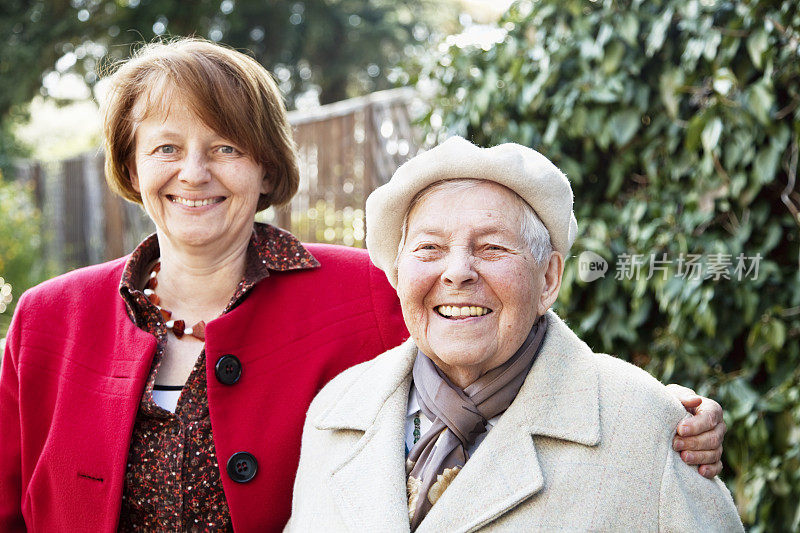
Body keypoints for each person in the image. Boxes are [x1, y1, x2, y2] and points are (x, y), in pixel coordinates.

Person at [0, 39, 724, 532]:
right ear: (132, 166)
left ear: (264, 168)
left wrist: (669, 416)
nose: (194, 172)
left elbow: (501, 331)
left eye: (224, 147)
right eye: (165, 147)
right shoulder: (46, 320)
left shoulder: (364, 289)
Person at [287, 136, 744, 531]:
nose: (458, 272)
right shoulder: (334, 412)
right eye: (429, 248)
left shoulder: (648, 428)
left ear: (548, 279)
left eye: (492, 248)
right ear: (397, 273)